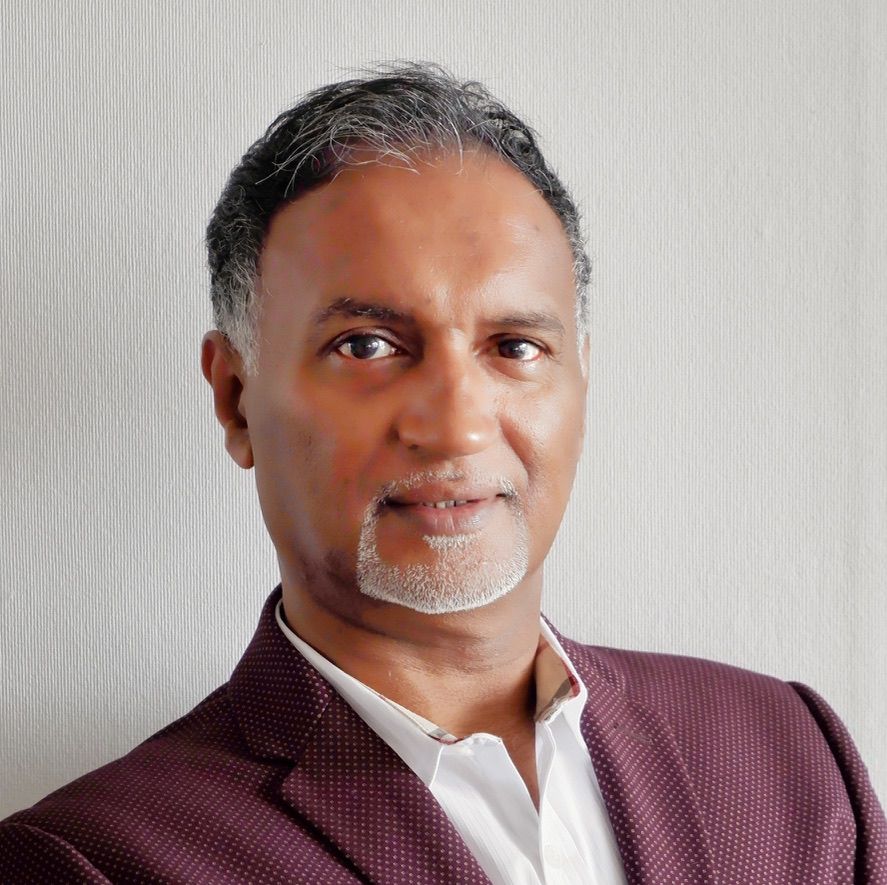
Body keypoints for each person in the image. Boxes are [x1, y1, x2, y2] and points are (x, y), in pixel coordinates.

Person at [1, 63, 884, 885]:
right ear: (236, 398)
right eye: (367, 345)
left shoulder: (790, 756)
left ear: (580, 381)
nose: (457, 424)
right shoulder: (95, 859)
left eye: (515, 346)